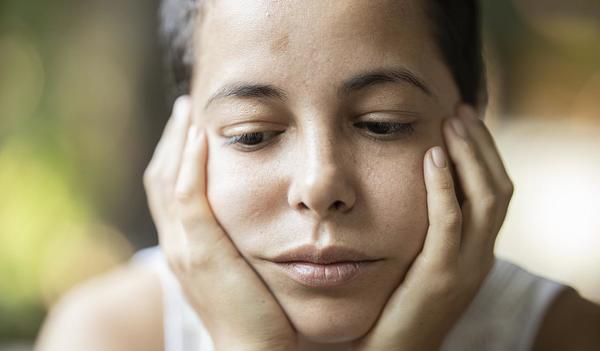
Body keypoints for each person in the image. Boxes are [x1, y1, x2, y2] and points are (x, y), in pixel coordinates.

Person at [35, 0, 600, 350]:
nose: (319, 185)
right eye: (252, 133)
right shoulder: (109, 336)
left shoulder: (566, 337)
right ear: (180, 143)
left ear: (473, 119)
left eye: (383, 124)